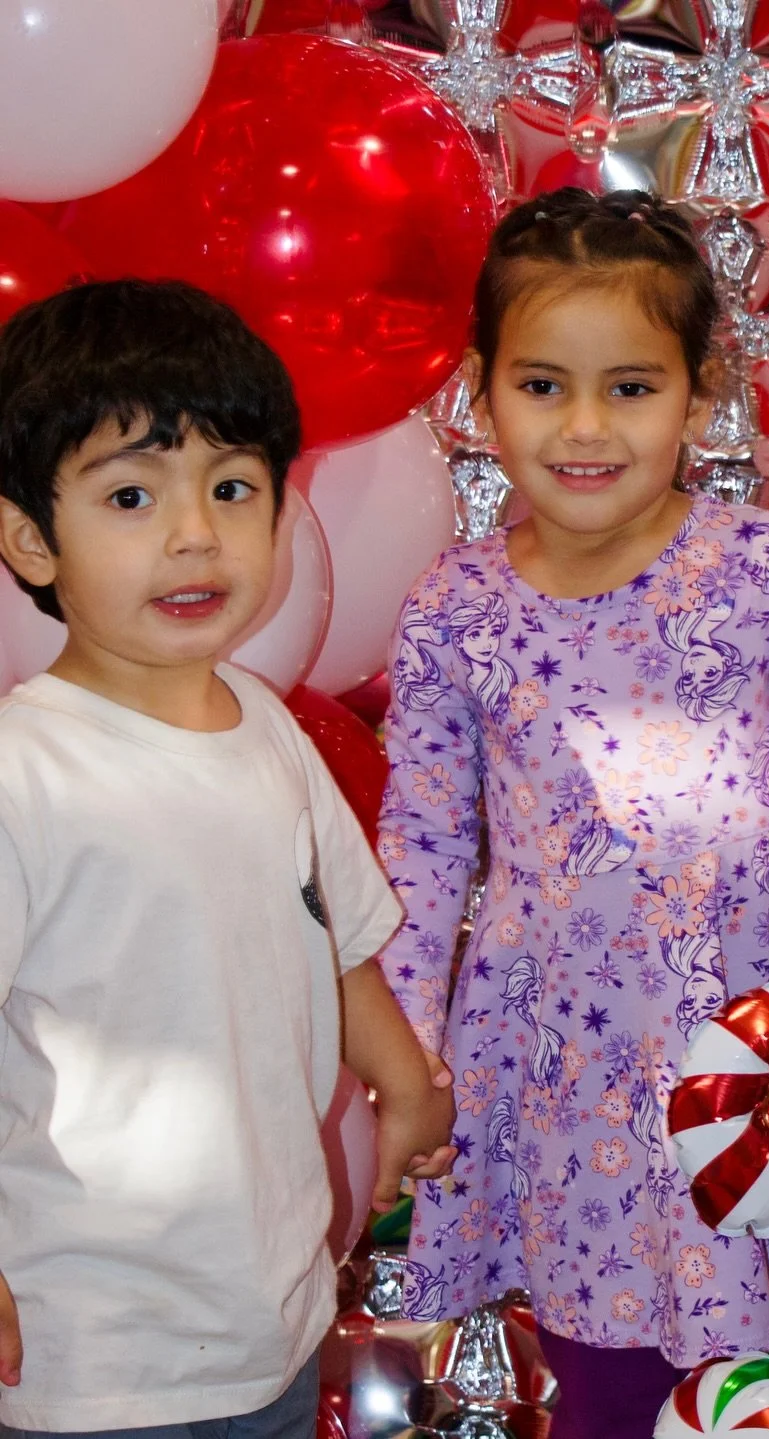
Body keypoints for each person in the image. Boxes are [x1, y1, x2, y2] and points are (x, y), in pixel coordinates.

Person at [376, 188, 769, 1438]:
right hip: (570, 1072)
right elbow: (425, 839)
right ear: (479, 393)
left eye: (630, 386)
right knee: (608, 1383)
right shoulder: (452, 604)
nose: (584, 426)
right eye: (542, 385)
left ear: (698, 396)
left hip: (749, 1042)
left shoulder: (766, 570)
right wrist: (407, 1052)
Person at [0, 280, 456, 1438]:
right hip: (90, 1350)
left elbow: (334, 934)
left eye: (233, 487)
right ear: (30, 538)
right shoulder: (24, 770)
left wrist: (406, 1082)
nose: (195, 532)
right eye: (132, 495)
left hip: (270, 1317)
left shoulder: (266, 729)